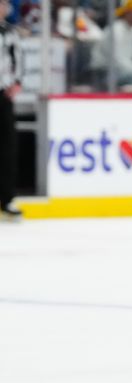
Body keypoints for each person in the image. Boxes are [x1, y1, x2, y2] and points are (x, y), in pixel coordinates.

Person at [90, 0, 132, 90]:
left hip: (129, 71)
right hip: (104, 72)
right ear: (128, 13)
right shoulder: (115, 30)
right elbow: (118, 61)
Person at [1, 0, 22, 220]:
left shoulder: (10, 33)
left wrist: (17, 82)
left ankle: (7, 198)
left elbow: (19, 60)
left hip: (3, 95)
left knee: (7, 148)